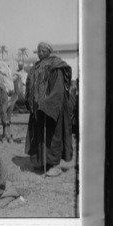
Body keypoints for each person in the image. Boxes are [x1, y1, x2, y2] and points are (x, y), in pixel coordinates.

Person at [24, 41, 73, 177]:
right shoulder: (35, 68)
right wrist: (30, 100)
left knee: (51, 137)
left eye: (43, 51)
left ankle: (52, 165)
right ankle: (40, 163)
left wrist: (46, 104)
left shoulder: (55, 66)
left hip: (51, 109)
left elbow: (58, 89)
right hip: (38, 110)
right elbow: (29, 85)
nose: (40, 53)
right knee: (38, 136)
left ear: (49, 52)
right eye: (38, 51)